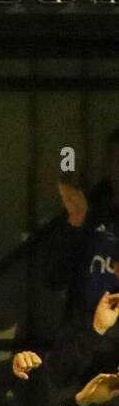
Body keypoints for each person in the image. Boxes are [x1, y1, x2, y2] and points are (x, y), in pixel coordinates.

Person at [49, 128, 119, 325]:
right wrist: (74, 222)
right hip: (85, 339)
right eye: (117, 160)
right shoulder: (88, 213)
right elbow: (55, 278)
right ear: (107, 165)